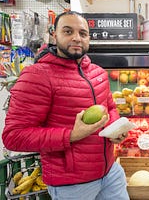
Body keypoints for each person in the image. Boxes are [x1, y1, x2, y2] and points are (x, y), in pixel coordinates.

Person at [2, 11, 130, 200]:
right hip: (72, 185)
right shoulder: (37, 76)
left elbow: (109, 107)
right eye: (68, 31)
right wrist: (71, 135)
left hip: (110, 173)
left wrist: (116, 128)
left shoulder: (98, 73)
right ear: (54, 35)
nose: (77, 38)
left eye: (83, 33)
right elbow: (14, 137)